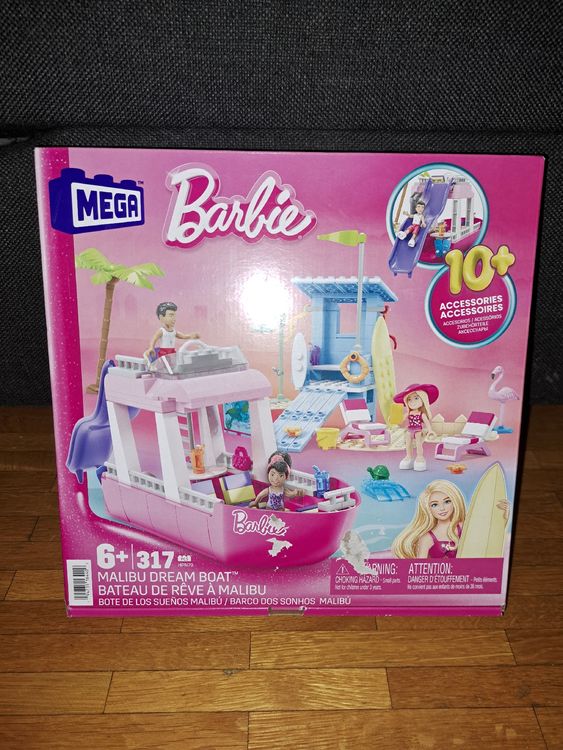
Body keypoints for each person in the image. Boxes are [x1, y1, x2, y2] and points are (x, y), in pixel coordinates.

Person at [392, 479, 509, 559]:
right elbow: (418, 570)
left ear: (455, 501)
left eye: (447, 501)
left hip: (465, 579)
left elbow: (488, 538)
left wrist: (503, 518)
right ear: (427, 508)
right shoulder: (427, 538)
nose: (442, 508)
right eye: (434, 504)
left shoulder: (463, 526)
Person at [394, 383, 438, 472]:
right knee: (408, 443)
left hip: (418, 430)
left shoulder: (421, 414)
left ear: (423, 399)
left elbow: (427, 422)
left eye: (416, 398)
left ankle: (420, 457)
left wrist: (430, 430)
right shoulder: (409, 413)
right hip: (410, 429)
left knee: (418, 444)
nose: (412, 402)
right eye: (409, 399)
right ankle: (408, 456)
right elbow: (401, 420)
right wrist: (395, 420)